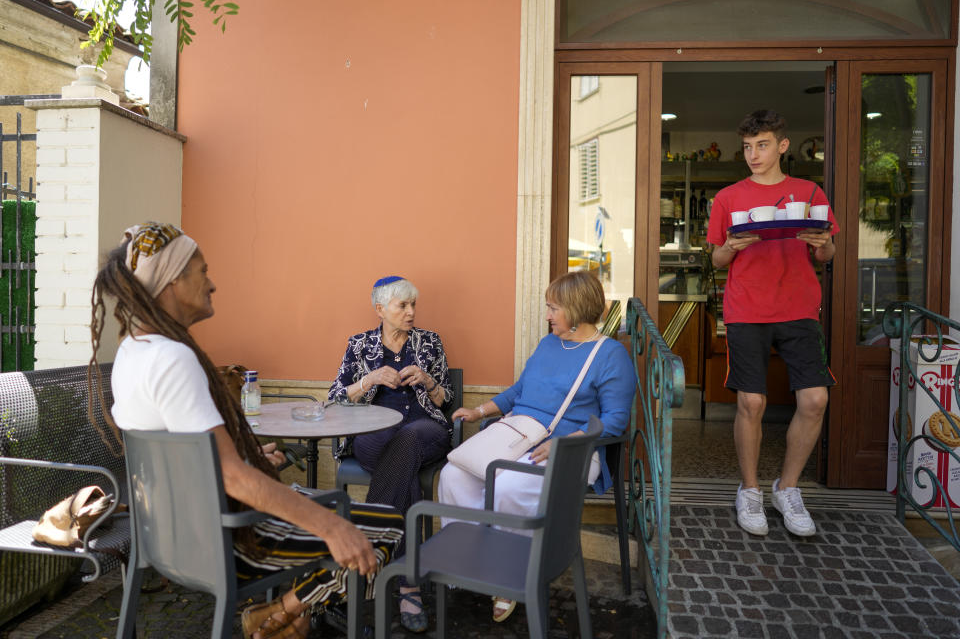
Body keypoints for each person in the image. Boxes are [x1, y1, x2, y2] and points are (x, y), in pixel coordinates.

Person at [88, 223, 404, 639]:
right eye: (202, 272)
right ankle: (280, 613)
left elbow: (192, 459)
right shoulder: (172, 359)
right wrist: (330, 528)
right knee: (385, 525)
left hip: (170, 537)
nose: (213, 284)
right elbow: (231, 475)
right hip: (226, 540)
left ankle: (278, 615)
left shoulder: (133, 351)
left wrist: (254, 458)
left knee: (333, 512)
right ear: (172, 281)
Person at [439, 271, 635, 623]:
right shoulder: (548, 344)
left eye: (553, 308)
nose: (547, 315)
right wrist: (479, 411)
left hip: (572, 450)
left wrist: (564, 442)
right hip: (519, 435)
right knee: (455, 475)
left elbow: (616, 420)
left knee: (509, 485)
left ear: (575, 310)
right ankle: (472, 558)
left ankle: (510, 574)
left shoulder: (611, 355)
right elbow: (518, 392)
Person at [706, 109, 839, 538]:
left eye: (761, 145)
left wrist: (823, 246)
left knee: (815, 400)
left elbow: (827, 253)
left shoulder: (809, 191)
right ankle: (749, 490)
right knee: (752, 403)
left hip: (800, 308)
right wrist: (729, 246)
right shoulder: (728, 197)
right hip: (746, 309)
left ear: (782, 145)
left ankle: (788, 488)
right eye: (747, 147)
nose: (753, 154)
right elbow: (716, 259)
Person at [328, 275, 452, 633]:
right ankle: (407, 584)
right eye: (403, 305)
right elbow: (336, 396)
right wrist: (369, 380)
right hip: (374, 432)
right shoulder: (359, 344)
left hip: (423, 428)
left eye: (413, 305)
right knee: (404, 470)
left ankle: (367, 557)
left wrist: (428, 381)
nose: (411, 311)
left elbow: (446, 401)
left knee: (409, 439)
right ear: (380, 309)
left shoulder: (430, 342)